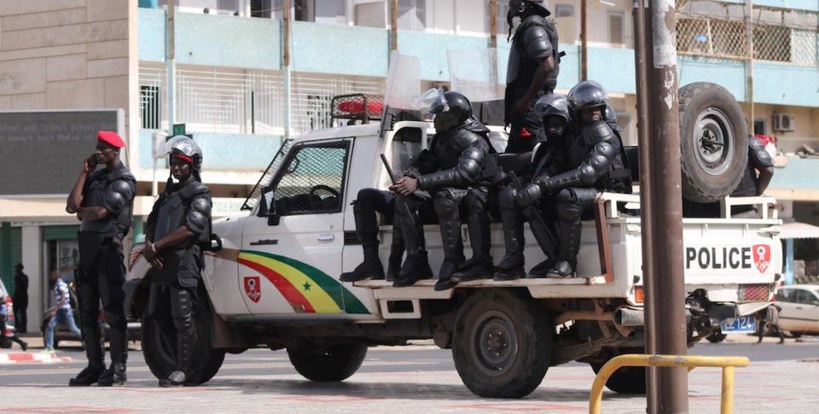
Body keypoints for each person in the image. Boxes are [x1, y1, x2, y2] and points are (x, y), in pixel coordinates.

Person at [516, 81, 631, 277]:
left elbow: (588, 173)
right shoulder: (572, 134)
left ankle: (568, 263)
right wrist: (537, 183)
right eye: (588, 111)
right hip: (588, 191)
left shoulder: (604, 134)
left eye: (597, 109)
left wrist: (545, 186)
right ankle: (554, 257)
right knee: (532, 202)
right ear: (576, 113)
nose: (594, 114)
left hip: (609, 192)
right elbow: (556, 163)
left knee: (567, 197)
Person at [391, 90, 497, 291]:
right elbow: (428, 162)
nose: (434, 119)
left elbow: (465, 174)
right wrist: (410, 178)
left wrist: (420, 183)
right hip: (455, 197)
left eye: (438, 115)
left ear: (451, 117)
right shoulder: (443, 138)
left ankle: (454, 260)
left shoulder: (474, 139)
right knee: (405, 198)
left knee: (443, 196)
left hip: (477, 196)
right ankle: (416, 260)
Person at [65, 130, 136, 387]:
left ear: (115, 151)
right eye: (96, 147)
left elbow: (102, 211)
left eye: (102, 148)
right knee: (86, 312)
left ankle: (118, 369)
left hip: (108, 251)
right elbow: (71, 205)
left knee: (113, 313)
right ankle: (95, 366)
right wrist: (84, 172)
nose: (98, 151)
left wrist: (81, 212)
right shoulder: (95, 177)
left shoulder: (123, 180)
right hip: (87, 252)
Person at [143, 136, 212, 387]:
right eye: (173, 163)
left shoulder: (200, 194)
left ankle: (185, 369)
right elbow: (152, 221)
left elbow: (190, 228)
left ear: (193, 165)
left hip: (184, 263)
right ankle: (173, 365)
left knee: (183, 318)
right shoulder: (167, 195)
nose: (176, 168)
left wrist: (157, 246)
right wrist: (149, 246)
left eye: (182, 163)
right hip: (161, 263)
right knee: (159, 316)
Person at [494, 93, 570, 280]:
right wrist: (511, 179)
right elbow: (533, 170)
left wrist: (538, 186)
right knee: (508, 194)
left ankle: (555, 257)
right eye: (549, 124)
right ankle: (514, 257)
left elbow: (555, 170)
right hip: (542, 191)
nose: (553, 129)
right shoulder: (544, 148)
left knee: (529, 204)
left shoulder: (570, 145)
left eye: (557, 124)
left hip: (558, 193)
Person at [504, 0, 561, 153]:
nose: (511, 2)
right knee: (513, 162)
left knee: (530, 162)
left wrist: (525, 101)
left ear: (525, 4)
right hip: (529, 111)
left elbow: (547, 66)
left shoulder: (533, 28)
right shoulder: (532, 26)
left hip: (532, 112)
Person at [683, 135, 775, 218]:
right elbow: (768, 171)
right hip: (745, 208)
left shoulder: (692, 142)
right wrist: (756, 193)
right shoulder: (747, 140)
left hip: (710, 213)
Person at [339, 189, 405, 282]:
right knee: (365, 195)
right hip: (400, 194)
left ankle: (395, 265)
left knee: (405, 200)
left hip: (422, 196)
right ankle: (371, 262)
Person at [44, 269, 83, 352]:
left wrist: (55, 309)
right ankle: (49, 347)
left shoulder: (60, 284)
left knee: (73, 328)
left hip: (65, 310)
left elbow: (63, 298)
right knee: (50, 326)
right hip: (61, 310)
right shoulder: (58, 284)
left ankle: (87, 341)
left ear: (56, 275)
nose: (51, 277)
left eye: (52, 275)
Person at [12, 263, 28, 334]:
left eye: (16, 268)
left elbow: (17, 287)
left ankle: (18, 326)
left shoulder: (17, 277)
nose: (15, 270)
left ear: (19, 269)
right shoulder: (25, 277)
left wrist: (13, 297)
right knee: (23, 313)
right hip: (24, 296)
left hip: (18, 297)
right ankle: (23, 328)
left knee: (14, 312)